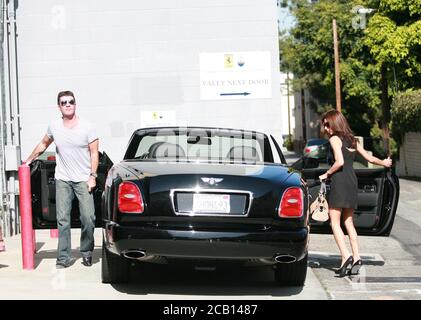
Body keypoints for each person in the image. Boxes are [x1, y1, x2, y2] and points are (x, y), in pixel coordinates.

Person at [25, 91, 99, 268]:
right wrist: (29, 159)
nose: (67, 104)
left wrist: (93, 176)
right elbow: (44, 143)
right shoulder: (55, 126)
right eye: (64, 102)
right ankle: (63, 258)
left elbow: (94, 152)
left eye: (71, 102)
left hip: (83, 179)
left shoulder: (87, 126)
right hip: (63, 179)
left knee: (88, 217)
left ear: (75, 104)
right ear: (59, 106)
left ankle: (87, 251)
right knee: (62, 219)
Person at [318, 110, 392, 277]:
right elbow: (370, 159)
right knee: (349, 222)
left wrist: (326, 174)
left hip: (339, 181)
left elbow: (339, 162)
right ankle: (357, 257)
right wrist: (385, 162)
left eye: (328, 125)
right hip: (352, 182)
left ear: (335, 123)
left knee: (334, 223)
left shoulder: (334, 139)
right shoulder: (353, 139)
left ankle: (346, 256)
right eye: (325, 125)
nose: (326, 128)